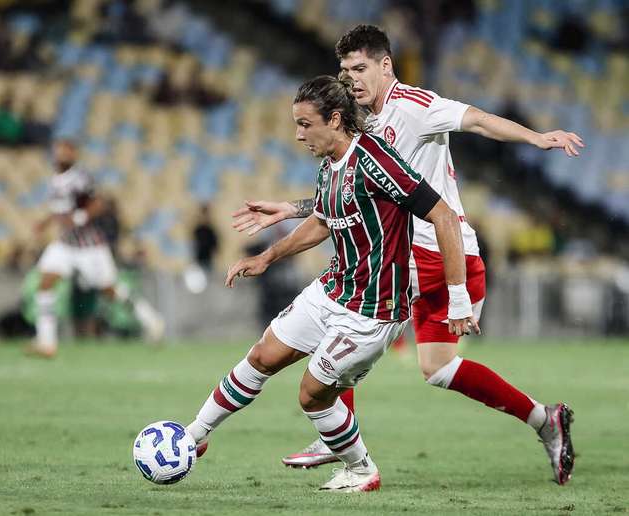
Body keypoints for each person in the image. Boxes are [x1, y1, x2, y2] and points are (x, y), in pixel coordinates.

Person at [230, 25, 578, 485]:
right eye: (345, 70)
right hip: (410, 255)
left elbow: (477, 119)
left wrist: (536, 138)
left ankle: (334, 434)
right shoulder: (358, 122)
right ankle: (544, 419)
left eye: (360, 68)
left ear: (385, 65)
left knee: (347, 304)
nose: (352, 78)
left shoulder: (415, 105)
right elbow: (356, 195)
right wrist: (292, 208)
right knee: (438, 368)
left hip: (438, 252)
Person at [186, 75, 476, 493]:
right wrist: (266, 256)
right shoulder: (329, 165)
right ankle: (194, 436)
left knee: (311, 394)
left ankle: (361, 470)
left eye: (305, 124)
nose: (299, 135)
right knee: (263, 355)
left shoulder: (377, 161)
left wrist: (458, 297)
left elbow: (444, 216)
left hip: (373, 310)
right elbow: (322, 221)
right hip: (334, 289)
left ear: (335, 119)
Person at [26, 140, 164, 357]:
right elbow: (59, 209)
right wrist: (44, 223)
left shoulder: (80, 177)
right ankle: (47, 342)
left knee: (110, 291)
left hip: (89, 246)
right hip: (65, 244)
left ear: (74, 154)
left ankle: (150, 319)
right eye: (58, 151)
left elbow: (98, 203)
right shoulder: (55, 180)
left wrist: (79, 217)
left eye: (66, 151)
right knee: (45, 282)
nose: (61, 155)